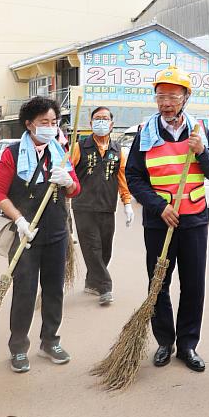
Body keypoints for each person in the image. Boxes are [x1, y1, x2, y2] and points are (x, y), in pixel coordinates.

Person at [125, 65, 209, 373]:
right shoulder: (145, 132)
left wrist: (203, 153)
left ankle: (188, 345)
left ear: (185, 97)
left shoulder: (200, 130)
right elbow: (134, 177)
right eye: (160, 96)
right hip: (159, 223)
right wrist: (158, 206)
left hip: (193, 221)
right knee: (159, 283)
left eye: (172, 96)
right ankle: (164, 342)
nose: (166, 102)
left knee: (194, 284)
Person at [0, 97, 81, 373]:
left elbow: (75, 189)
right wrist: (18, 220)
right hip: (25, 234)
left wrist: (68, 183)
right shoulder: (13, 154)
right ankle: (18, 347)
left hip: (56, 231)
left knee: (54, 290)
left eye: (54, 123)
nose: (50, 128)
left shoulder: (61, 150)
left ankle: (50, 341)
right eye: (44, 123)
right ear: (29, 124)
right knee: (24, 292)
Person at [70, 106, 134, 306]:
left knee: (106, 250)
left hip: (107, 207)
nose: (101, 122)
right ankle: (105, 287)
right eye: (97, 118)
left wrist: (127, 203)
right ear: (90, 124)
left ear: (111, 124)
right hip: (83, 207)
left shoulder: (118, 150)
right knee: (93, 248)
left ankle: (92, 282)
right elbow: (68, 173)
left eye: (105, 118)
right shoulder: (80, 147)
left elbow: (122, 178)